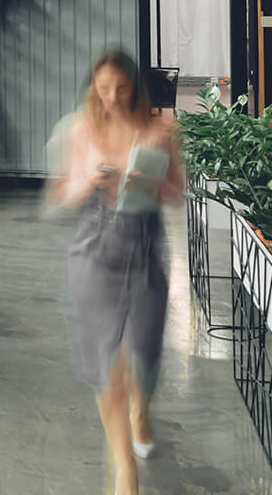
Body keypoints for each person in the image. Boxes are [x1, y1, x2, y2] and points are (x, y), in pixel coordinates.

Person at [48, 50, 183, 495]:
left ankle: (141, 411)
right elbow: (60, 195)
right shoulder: (80, 128)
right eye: (103, 88)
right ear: (93, 87)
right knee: (109, 361)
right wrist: (89, 179)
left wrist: (148, 179)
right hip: (94, 244)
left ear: (135, 87)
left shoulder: (160, 129)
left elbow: (177, 193)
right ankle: (125, 467)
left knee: (144, 351)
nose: (111, 97)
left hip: (144, 243)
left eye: (121, 87)